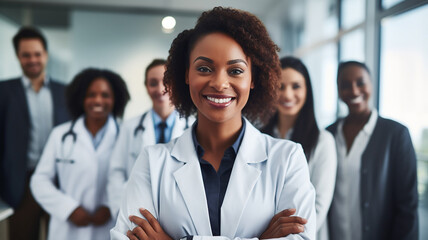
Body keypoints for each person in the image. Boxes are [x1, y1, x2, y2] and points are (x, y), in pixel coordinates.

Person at [111, 7, 316, 240]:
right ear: (187, 74)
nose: (219, 83)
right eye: (204, 68)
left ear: (253, 79)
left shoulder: (287, 159)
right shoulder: (152, 161)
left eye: (236, 70)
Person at [30, 68, 130, 240]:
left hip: (109, 227)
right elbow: (39, 181)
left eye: (105, 95)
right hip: (67, 229)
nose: (98, 100)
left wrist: (111, 206)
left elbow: (134, 182)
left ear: (115, 99)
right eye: (91, 94)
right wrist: (68, 209)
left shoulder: (127, 135)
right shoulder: (60, 135)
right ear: (81, 98)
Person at [327, 61, 418, 240]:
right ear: (338, 90)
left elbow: (408, 206)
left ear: (371, 84)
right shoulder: (327, 135)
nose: (354, 91)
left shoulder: (396, 134)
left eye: (360, 83)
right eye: (345, 85)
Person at [0, 26, 69, 240]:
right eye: (26, 55)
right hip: (20, 184)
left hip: (58, 181)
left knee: (59, 236)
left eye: (37, 54)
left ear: (46, 55)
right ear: (18, 57)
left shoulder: (65, 92)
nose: (32, 59)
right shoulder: (3, 91)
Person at [107, 59, 195, 219]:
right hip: (136, 211)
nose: (160, 89)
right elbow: (116, 172)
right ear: (146, 87)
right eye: (153, 83)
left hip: (180, 214)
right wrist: (122, 208)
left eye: (166, 82)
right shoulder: (129, 127)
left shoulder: (194, 127)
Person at [261, 56, 336, 240]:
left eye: (296, 86)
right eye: (280, 87)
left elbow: (318, 207)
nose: (287, 94)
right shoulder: (259, 138)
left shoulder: (323, 141)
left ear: (307, 91)